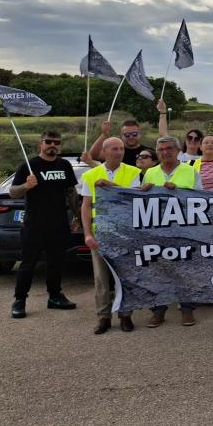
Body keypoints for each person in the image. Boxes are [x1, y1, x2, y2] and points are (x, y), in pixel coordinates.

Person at [9, 131, 79, 319]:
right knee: (28, 264)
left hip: (58, 224)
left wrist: (78, 217)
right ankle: (19, 300)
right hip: (34, 225)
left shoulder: (64, 165)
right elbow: (13, 193)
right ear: (41, 144)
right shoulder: (29, 165)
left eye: (57, 142)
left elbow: (71, 192)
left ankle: (55, 297)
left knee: (56, 263)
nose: (53, 145)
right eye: (48, 142)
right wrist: (26, 186)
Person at [139, 136, 203, 328]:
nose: (165, 152)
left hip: (184, 230)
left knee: (185, 270)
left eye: (168, 148)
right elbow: (140, 202)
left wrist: (180, 191)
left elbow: (202, 200)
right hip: (158, 231)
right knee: (158, 271)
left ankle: (187, 310)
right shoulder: (150, 172)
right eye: (161, 150)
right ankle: (158, 311)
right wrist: (142, 191)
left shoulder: (191, 171)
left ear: (177, 151)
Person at [79, 137, 140, 334]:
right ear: (105, 152)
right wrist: (87, 233)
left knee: (125, 276)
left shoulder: (132, 172)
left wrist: (109, 185)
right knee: (101, 279)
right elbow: (86, 207)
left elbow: (131, 197)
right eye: (115, 148)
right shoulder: (91, 175)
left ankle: (125, 315)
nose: (119, 152)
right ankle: (103, 317)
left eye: (121, 148)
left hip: (124, 231)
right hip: (101, 231)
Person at [89, 118, 153, 168]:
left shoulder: (148, 152)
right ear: (121, 136)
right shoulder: (115, 150)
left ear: (140, 134)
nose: (131, 137)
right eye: (127, 135)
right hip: (117, 184)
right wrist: (104, 135)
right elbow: (93, 156)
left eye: (134, 134)